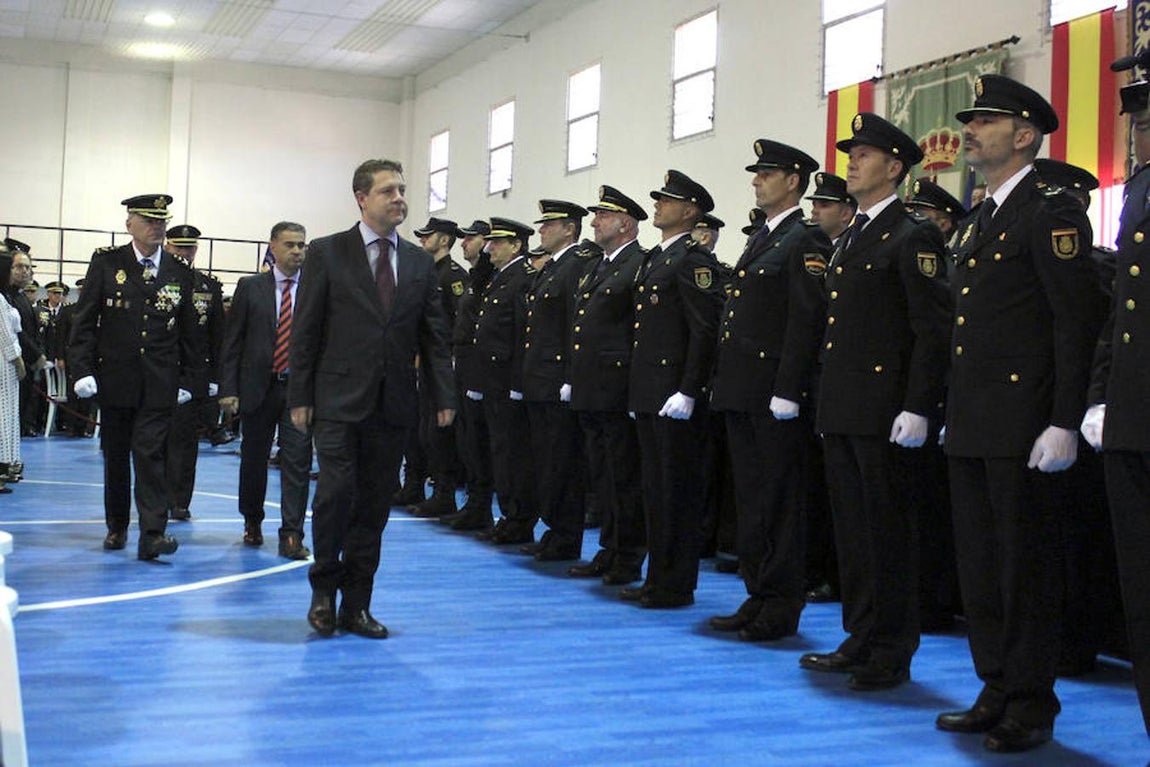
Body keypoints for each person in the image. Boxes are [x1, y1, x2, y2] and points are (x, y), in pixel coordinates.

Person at [939, 75, 1105, 753]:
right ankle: (996, 684)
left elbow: (1075, 323)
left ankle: (1031, 702)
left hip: (1025, 421)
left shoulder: (1051, 211)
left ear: (1025, 134)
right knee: (979, 567)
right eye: (970, 120)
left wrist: (1066, 418)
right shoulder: (981, 215)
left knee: (1023, 569)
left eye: (986, 119)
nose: (971, 130)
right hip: (977, 418)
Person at [801, 113, 951, 691]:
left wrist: (918, 405)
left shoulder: (913, 235)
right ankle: (860, 634)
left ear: (894, 168)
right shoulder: (853, 236)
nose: (851, 163)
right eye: (850, 154)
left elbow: (931, 330)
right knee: (855, 534)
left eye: (863, 155)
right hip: (844, 407)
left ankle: (891, 648)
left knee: (889, 535)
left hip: (886, 411)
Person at [288, 159, 455, 639]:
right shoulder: (327, 252)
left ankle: (357, 605)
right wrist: (300, 395)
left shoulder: (420, 263)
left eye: (402, 190)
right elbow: (307, 329)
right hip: (337, 399)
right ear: (362, 198)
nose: (399, 198)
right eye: (388, 191)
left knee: (375, 507)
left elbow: (434, 336)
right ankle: (323, 592)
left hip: (394, 403)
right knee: (336, 494)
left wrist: (443, 393)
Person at [708, 139, 828, 641]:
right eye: (757, 173)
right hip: (743, 388)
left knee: (780, 502)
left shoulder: (806, 238)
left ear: (793, 181)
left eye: (767, 173)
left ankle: (781, 604)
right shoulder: (763, 238)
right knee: (753, 501)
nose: (756, 180)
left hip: (774, 394)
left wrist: (789, 387)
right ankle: (757, 593)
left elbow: (807, 319)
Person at [67, 194, 202, 560]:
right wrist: (81, 370)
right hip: (115, 379)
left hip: (160, 382)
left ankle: (152, 534)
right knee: (116, 456)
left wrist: (190, 380)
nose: (157, 226)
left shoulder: (179, 271)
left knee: (150, 453)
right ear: (130, 224)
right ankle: (117, 525)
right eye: (149, 220)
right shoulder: (108, 264)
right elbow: (84, 324)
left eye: (162, 221)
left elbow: (190, 333)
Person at [1082, 68, 1150, 740]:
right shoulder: (1139, 189)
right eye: (1137, 121)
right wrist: (1102, 394)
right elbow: (1120, 316)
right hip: (1131, 414)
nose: (1140, 132)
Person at [623, 170, 724, 609]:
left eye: (667, 200)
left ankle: (676, 583)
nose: (658, 205)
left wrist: (689, 389)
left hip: (675, 395)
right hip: (650, 390)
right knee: (655, 491)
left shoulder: (693, 259)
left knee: (676, 492)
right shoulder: (655, 258)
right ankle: (657, 577)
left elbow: (704, 330)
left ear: (690, 211)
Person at [567, 186, 649, 585]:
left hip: (616, 389)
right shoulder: (599, 266)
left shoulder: (638, 265)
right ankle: (609, 548)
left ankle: (628, 554)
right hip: (592, 389)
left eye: (603, 215)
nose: (596, 221)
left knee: (623, 478)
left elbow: (638, 333)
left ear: (625, 224)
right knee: (603, 476)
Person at [219, 221, 313, 560]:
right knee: (254, 461)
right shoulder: (250, 287)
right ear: (272, 247)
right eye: (289, 245)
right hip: (257, 389)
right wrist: (229, 388)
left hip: (299, 392)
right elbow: (233, 342)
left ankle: (292, 534)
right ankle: (252, 520)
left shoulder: (316, 288)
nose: (297, 251)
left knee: (298, 462)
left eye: (302, 245)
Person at [522, 199, 591, 561]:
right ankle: (554, 529)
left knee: (563, 463)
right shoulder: (553, 268)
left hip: (556, 381)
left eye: (550, 225)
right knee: (546, 461)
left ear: (569, 228)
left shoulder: (576, 266)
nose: (542, 230)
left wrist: (569, 377)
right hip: (539, 379)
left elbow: (572, 328)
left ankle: (566, 534)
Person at [471, 218, 538, 545]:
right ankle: (509, 516)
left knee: (514, 455)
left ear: (516, 246)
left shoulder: (521, 279)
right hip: (493, 380)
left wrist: (516, 383)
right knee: (500, 452)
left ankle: (518, 519)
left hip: (507, 382)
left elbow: (521, 335)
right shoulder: (502, 278)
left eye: (497, 242)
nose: (489, 247)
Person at [406, 217, 469, 519]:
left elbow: (459, 321)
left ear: (444, 240)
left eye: (428, 236)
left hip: (440, 363)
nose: (422, 241)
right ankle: (416, 485)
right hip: (421, 361)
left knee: (438, 431)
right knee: (420, 429)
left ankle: (444, 493)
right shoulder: (427, 272)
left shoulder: (452, 275)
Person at [163, 224, 225, 521]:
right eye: (179, 247)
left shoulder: (208, 287)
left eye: (190, 248)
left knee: (185, 447)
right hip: (156, 375)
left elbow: (217, 337)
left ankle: (179, 501)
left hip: (192, 378)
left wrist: (215, 379)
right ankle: (154, 497)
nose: (185, 253)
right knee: (152, 444)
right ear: (167, 246)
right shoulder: (154, 281)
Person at [440, 220, 497, 531]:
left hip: (479, 366)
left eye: (472, 238)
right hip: (462, 362)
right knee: (466, 439)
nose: (464, 243)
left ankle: (480, 507)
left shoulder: (490, 277)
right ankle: (474, 504)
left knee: (478, 440)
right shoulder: (477, 278)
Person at [5, 242, 47, 444]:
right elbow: (14, 333)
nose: (25, 272)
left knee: (18, 416)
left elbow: (32, 330)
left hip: (26, 367)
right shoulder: (6, 296)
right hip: (11, 365)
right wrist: (36, 356)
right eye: (19, 267)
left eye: (28, 267)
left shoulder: (21, 297)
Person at [0, 248, 24, 493]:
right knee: (4, 416)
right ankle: (3, 467)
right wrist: (19, 361)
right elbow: (6, 337)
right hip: (3, 366)